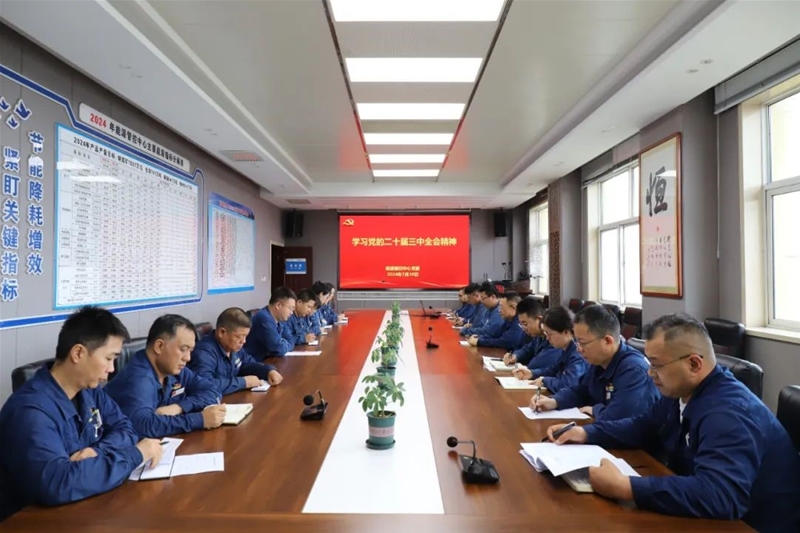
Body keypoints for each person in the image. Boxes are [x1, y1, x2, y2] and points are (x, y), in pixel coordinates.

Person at [545, 314, 800, 532]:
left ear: (694, 364)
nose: (650, 374)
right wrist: (586, 433)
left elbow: (720, 494)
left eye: (656, 365)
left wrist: (626, 487)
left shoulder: (729, 412)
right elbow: (642, 426)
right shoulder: (680, 392)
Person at [0, 306, 163, 522]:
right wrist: (135, 455)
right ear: (78, 353)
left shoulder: (90, 390)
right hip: (30, 522)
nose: (112, 368)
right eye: (108, 358)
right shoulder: (30, 411)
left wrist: (97, 451)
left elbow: (126, 429)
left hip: (83, 509)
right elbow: (58, 483)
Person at [105, 314, 226, 438]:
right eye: (183, 349)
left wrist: (180, 407)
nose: (188, 358)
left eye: (190, 351)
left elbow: (212, 390)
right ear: (159, 346)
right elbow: (142, 425)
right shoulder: (138, 378)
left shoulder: (175, 369)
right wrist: (199, 420)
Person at [531, 304, 659, 421]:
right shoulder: (599, 362)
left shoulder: (634, 370)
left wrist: (596, 409)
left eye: (583, 343)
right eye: (577, 342)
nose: (578, 349)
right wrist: (554, 401)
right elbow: (582, 391)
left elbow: (619, 419)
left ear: (607, 341)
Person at [189, 308, 283, 395]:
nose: (243, 341)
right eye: (239, 337)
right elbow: (204, 385)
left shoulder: (232, 346)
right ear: (222, 332)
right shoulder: (204, 352)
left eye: (245, 336)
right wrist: (244, 382)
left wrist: (268, 370)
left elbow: (247, 363)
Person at [513, 306, 587, 393]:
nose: (547, 338)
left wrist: (545, 381)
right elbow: (552, 370)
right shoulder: (567, 348)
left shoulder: (578, 354)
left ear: (566, 332)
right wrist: (532, 373)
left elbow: (568, 384)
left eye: (550, 334)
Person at [502, 297, 559, 369]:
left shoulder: (553, 338)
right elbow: (527, 350)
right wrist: (515, 356)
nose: (524, 329)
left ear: (539, 319)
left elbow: (535, 364)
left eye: (525, 324)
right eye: (521, 324)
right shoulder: (538, 336)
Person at [244, 287, 296, 360]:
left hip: (269, 360)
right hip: (255, 362)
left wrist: (282, 344)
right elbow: (277, 348)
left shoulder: (280, 319)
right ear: (278, 305)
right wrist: (283, 344)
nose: (291, 313)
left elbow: (291, 340)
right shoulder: (263, 318)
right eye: (290, 308)